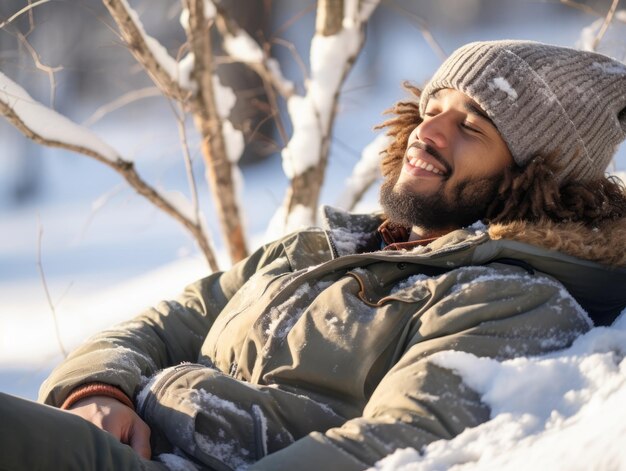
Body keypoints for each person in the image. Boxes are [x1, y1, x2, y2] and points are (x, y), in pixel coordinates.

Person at [2, 40, 626, 471]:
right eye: (433, 109)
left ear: (537, 176)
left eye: (474, 127)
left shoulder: (511, 298)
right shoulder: (323, 249)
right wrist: (97, 389)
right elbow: (168, 322)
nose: (427, 134)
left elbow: (397, 444)